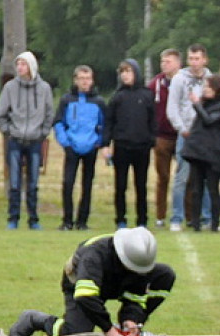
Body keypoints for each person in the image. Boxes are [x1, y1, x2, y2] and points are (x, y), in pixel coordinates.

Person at [8, 227, 174, 336]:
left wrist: (131, 320)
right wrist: (108, 329)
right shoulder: (93, 256)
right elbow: (85, 296)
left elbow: (135, 293)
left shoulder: (137, 262)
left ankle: (131, 328)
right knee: (75, 334)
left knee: (165, 274)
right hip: (80, 287)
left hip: (114, 282)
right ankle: (34, 319)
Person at [0, 51, 54, 230]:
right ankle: (13, 218)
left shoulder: (44, 89)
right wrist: (9, 131)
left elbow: (49, 114)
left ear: (31, 67)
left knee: (33, 182)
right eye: (18, 64)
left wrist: (43, 133)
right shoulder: (10, 88)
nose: (20, 67)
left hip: (35, 141)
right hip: (15, 140)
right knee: (14, 182)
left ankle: (33, 219)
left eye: (23, 64)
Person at [104, 59, 156, 230]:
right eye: (122, 72)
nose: (125, 75)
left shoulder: (147, 95)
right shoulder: (117, 97)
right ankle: (120, 219)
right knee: (121, 185)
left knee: (141, 185)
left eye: (128, 71)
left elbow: (152, 121)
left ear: (136, 73)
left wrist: (151, 140)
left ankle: (142, 219)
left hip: (142, 147)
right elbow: (109, 122)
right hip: (122, 146)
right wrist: (106, 144)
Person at [166, 44, 213, 232]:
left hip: (205, 136)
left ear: (204, 60)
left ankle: (206, 217)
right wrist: (182, 128)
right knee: (182, 177)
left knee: (206, 179)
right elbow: (173, 107)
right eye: (191, 58)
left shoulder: (211, 79)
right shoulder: (179, 79)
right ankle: (176, 217)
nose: (194, 62)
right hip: (186, 134)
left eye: (197, 58)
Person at [53, 65, 105, 232]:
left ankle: (82, 221)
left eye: (88, 78)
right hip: (72, 147)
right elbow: (59, 123)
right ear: (75, 80)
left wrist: (99, 141)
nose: (85, 82)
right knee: (68, 183)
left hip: (91, 147)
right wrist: (65, 143)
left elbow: (105, 124)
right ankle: (67, 221)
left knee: (87, 185)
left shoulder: (99, 102)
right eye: (82, 79)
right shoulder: (67, 100)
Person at [181, 73, 220, 233]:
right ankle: (195, 223)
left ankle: (215, 223)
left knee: (213, 189)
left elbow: (209, 121)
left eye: (209, 87)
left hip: (213, 154)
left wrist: (196, 105)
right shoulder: (204, 104)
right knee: (196, 188)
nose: (205, 90)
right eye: (205, 87)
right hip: (198, 153)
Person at [149, 49, 181, 228]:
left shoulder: (185, 81)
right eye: (162, 61)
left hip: (182, 135)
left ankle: (187, 214)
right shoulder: (155, 84)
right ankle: (160, 216)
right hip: (162, 136)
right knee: (163, 177)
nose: (164, 65)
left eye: (168, 61)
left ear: (177, 63)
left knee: (185, 177)